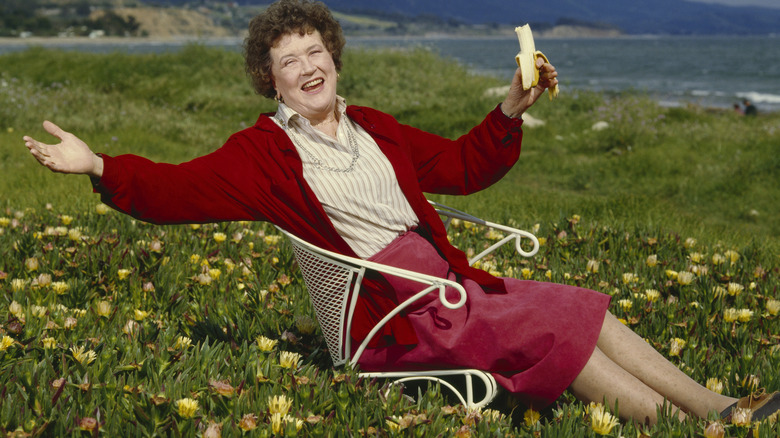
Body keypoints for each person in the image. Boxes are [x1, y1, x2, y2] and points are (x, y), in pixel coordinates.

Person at [22, 0, 779, 426]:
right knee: (554, 326)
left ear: (336, 57)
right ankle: (691, 430)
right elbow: (176, 190)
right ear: (269, 80)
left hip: (447, 285)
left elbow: (459, 167)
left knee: (586, 308)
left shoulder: (374, 126)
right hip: (393, 310)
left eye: (316, 50)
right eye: (290, 60)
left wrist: (507, 111)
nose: (308, 66)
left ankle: (722, 406)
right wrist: (99, 166)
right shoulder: (261, 155)